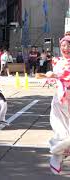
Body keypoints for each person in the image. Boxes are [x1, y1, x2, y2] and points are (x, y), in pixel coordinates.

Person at [41, 33, 70, 174]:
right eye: (64, 45)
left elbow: (65, 75)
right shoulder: (56, 61)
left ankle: (62, 152)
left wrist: (56, 75)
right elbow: (54, 76)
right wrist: (49, 76)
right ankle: (58, 155)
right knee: (61, 132)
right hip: (59, 100)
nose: (66, 48)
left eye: (69, 45)